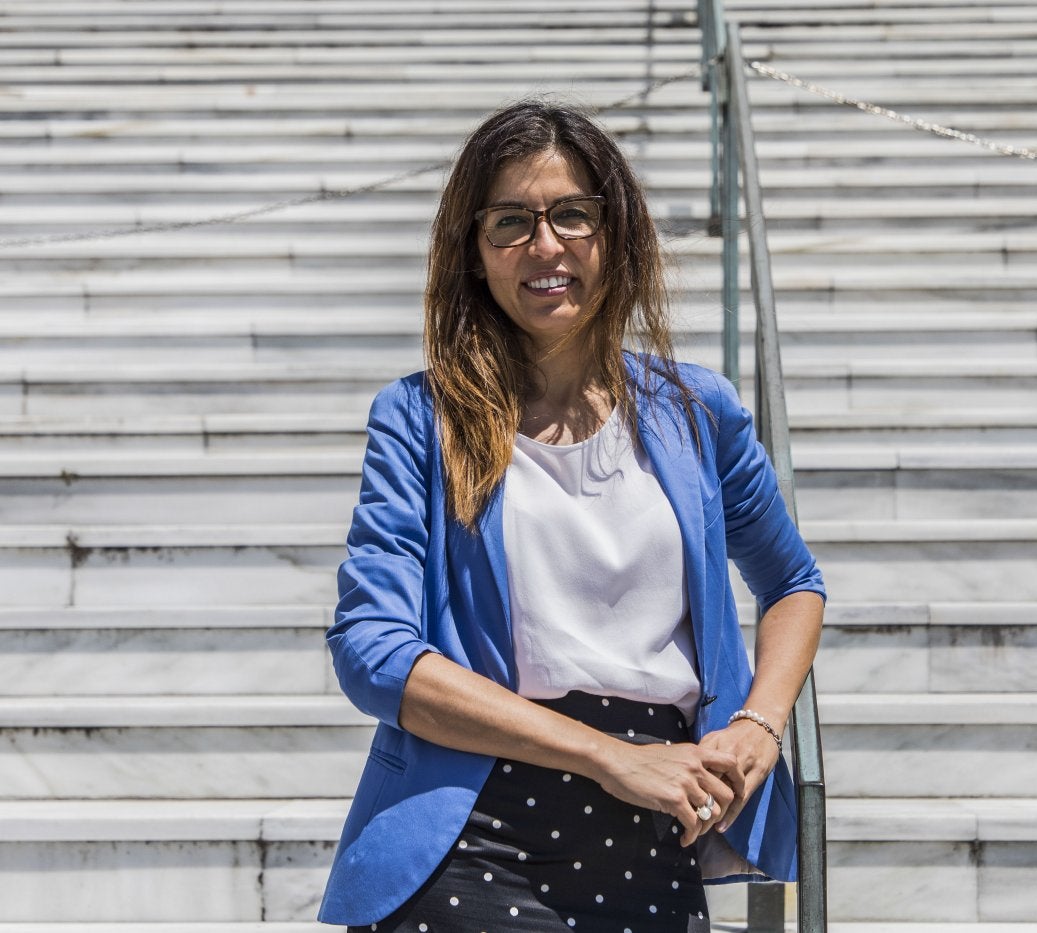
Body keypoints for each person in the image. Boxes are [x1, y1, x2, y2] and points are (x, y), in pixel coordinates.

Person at [317, 100, 826, 933]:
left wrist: (759, 724)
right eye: (511, 222)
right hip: (471, 833)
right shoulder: (420, 417)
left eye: (572, 215)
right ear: (475, 254)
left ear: (615, 232)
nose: (545, 246)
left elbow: (794, 583)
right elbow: (372, 650)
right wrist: (609, 757)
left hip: (657, 834)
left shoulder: (699, 409)